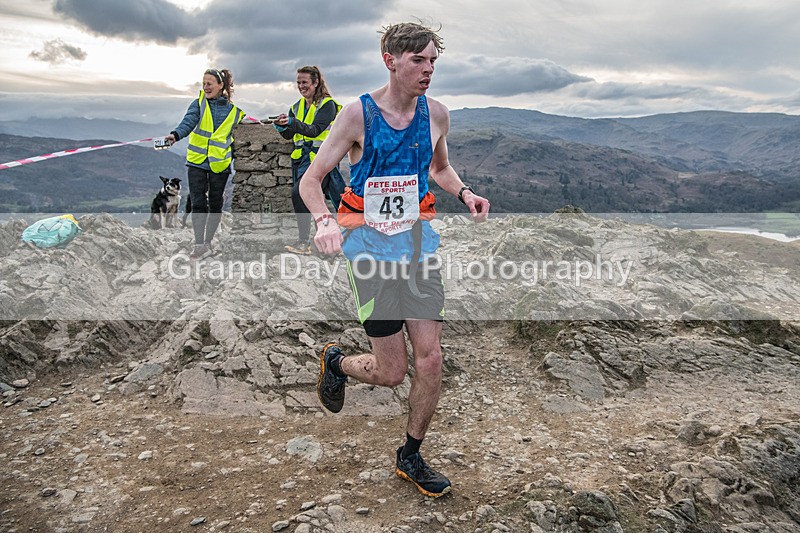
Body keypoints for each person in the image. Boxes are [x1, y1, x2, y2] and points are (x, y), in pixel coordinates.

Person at [299, 22, 490, 497]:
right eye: (418, 61)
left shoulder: (437, 115)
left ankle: (411, 454)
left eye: (433, 62)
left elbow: (440, 168)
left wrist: (465, 193)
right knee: (392, 373)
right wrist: (324, 221)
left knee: (431, 358)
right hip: (369, 255)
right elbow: (311, 180)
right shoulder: (358, 115)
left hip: (419, 250)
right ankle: (337, 362)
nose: (428, 70)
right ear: (390, 60)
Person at [166, 68, 246, 260]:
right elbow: (188, 122)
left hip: (220, 163)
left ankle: (208, 242)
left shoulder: (234, 112)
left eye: (209, 84)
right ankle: (199, 244)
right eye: (203, 84)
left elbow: (241, 135)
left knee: (216, 203)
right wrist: (175, 135)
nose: (206, 87)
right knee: (198, 202)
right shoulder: (198, 104)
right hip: (197, 162)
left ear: (221, 85)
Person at [273, 65, 346, 255]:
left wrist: (292, 122)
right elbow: (290, 135)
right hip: (301, 161)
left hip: (321, 161)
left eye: (304, 82)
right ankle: (320, 244)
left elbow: (315, 130)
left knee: (303, 195)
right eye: (298, 82)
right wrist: (282, 126)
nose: (301, 86)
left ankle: (309, 242)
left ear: (316, 82)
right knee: (311, 200)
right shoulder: (296, 107)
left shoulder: (327, 105)